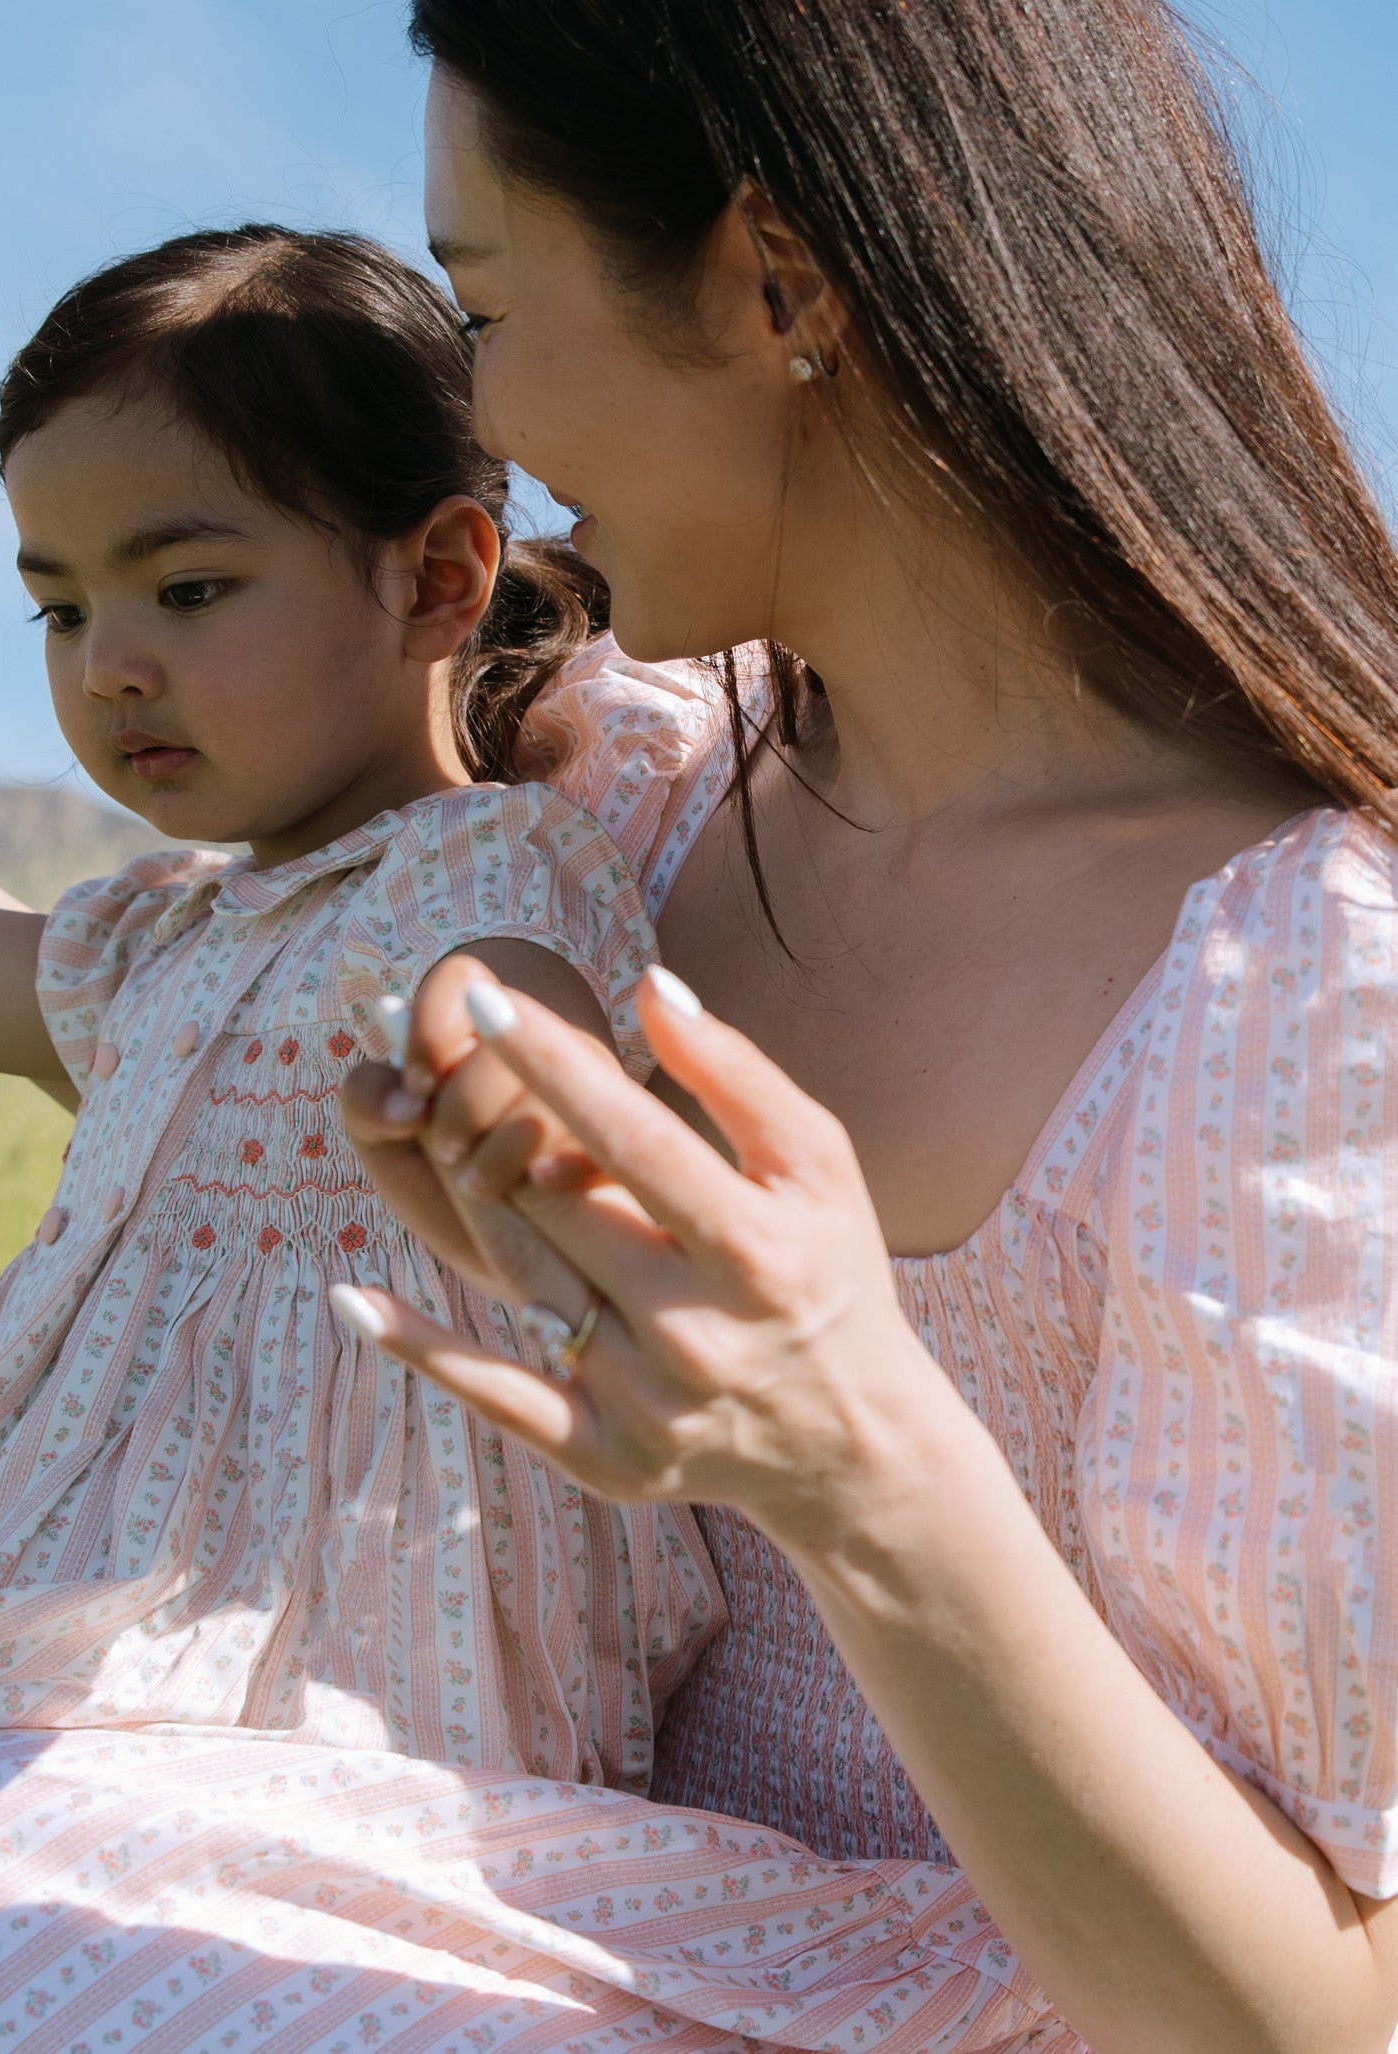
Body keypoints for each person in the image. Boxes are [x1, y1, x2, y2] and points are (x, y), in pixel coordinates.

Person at [318, 2, 1398, 2050]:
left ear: (775, 283)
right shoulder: (637, 796)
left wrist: (858, 1454)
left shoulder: (1295, 994)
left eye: (482, 309)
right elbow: (233, 936)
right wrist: (476, 1032)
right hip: (605, 1928)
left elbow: (1320, 2011)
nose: (483, 419)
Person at [0, 222, 733, 2000]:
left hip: (338, 1679)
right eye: (60, 602)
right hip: (71, 1630)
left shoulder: (480, 867)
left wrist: (510, 1101)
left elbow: (513, 1017)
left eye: (185, 590)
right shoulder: (151, 947)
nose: (108, 663)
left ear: (437, 577)